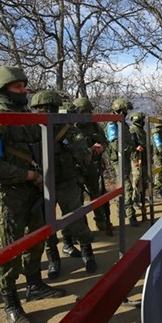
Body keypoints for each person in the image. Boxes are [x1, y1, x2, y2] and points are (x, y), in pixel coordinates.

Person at [0, 66, 64, 323]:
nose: (24, 91)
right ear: (2, 90)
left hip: (35, 192)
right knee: (9, 250)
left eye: (24, 86)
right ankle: (11, 303)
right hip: (8, 196)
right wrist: (28, 176)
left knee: (36, 240)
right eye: (18, 87)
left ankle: (34, 285)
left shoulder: (28, 116)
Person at [29, 90, 97, 280]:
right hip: (41, 183)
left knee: (76, 218)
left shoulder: (68, 130)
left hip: (65, 181)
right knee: (48, 225)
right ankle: (54, 260)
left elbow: (83, 154)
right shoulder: (31, 130)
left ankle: (86, 253)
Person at [72, 97, 113, 235]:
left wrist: (102, 147)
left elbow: (105, 141)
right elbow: (72, 150)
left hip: (93, 165)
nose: (86, 114)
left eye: (88, 111)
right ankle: (83, 228)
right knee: (78, 199)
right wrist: (89, 149)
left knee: (97, 193)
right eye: (83, 112)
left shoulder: (94, 125)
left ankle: (101, 221)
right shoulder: (72, 127)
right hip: (78, 167)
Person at [106, 98, 139, 226]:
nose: (125, 113)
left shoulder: (122, 123)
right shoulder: (112, 124)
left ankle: (121, 210)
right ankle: (131, 215)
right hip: (118, 159)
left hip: (125, 158)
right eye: (124, 110)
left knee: (123, 185)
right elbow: (115, 144)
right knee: (127, 186)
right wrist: (130, 148)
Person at [129, 111, 149, 219]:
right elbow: (131, 143)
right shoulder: (133, 129)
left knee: (144, 179)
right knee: (137, 179)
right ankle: (134, 199)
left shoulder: (141, 130)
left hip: (143, 157)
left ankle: (142, 197)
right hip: (136, 158)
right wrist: (136, 147)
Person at [151, 120, 162, 201]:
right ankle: (158, 191)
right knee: (159, 173)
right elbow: (160, 147)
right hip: (158, 157)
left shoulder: (159, 133)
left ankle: (161, 189)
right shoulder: (156, 134)